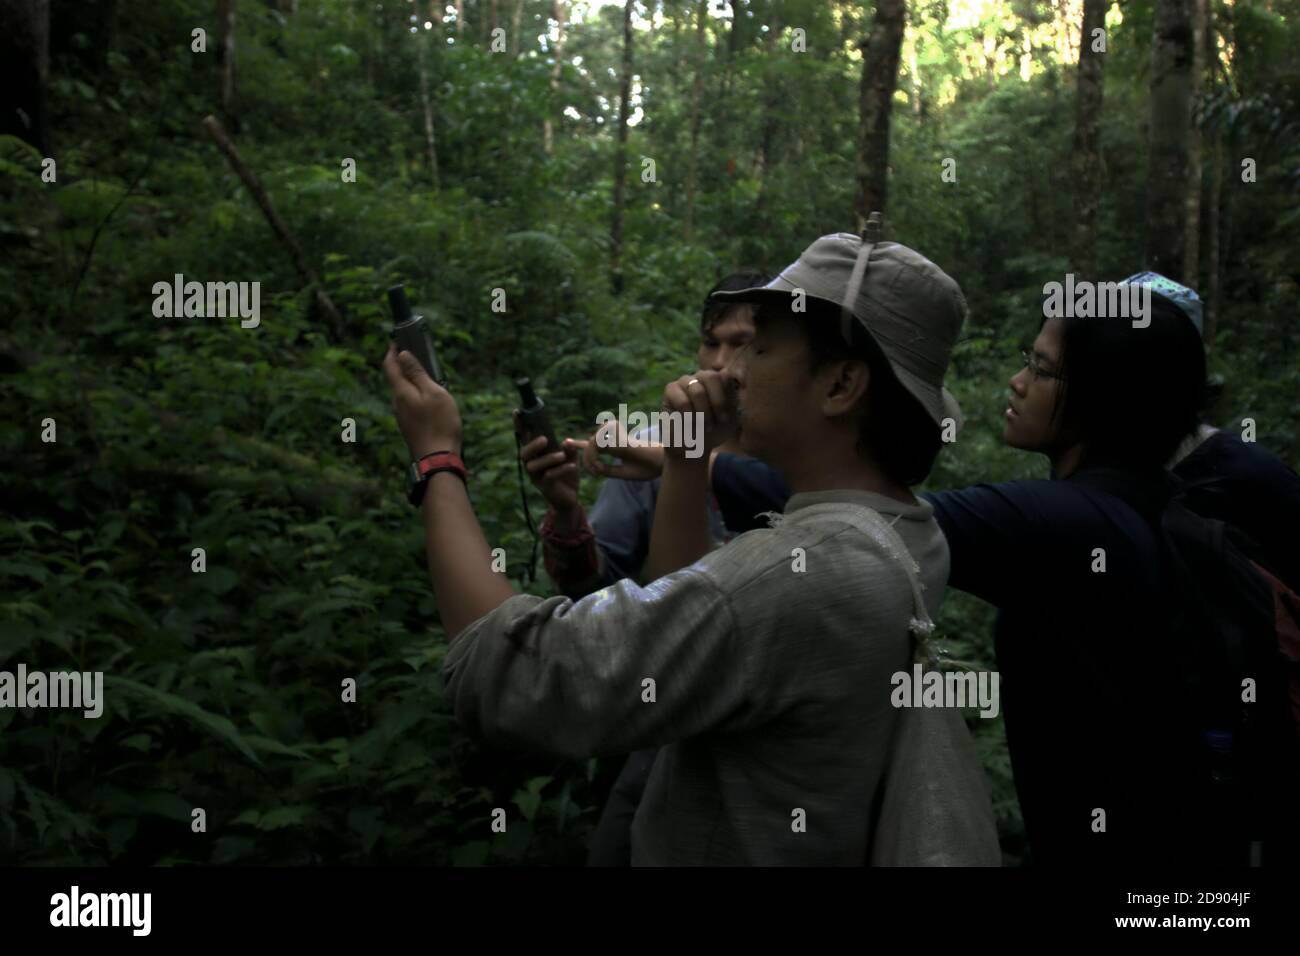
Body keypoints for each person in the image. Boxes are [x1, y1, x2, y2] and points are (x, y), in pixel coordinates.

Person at [382, 231, 999, 865]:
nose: (727, 372)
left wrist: (436, 460)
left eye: (757, 347)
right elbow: (682, 603)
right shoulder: (909, 535)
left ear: (840, 385)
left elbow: (519, 679)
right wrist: (685, 455)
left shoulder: (799, 573)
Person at [703, 276, 1284, 865]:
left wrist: (699, 463)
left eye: (1042, 366)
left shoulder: (1070, 523)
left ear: (1101, 395)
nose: (1019, 379)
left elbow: (877, 517)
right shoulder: (1150, 506)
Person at [515, 270, 769, 866]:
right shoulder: (648, 445)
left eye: (745, 343)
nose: (722, 364)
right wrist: (566, 512)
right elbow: (598, 596)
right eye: (712, 341)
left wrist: (677, 462)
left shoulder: (793, 450)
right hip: (661, 731)